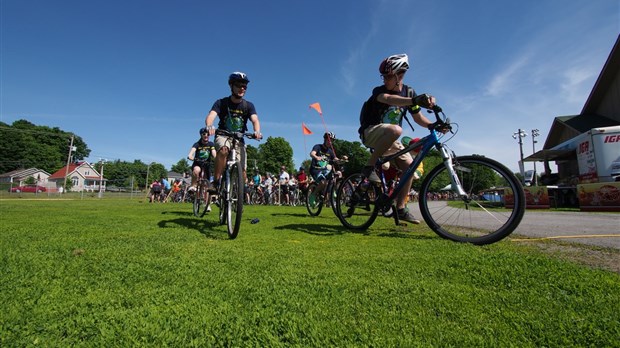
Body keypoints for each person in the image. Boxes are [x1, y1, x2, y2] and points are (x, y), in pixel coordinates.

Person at [358, 53, 437, 224]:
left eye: (388, 76)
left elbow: (418, 118)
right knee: (396, 129)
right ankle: (369, 166)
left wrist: (432, 125)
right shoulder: (379, 91)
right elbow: (388, 99)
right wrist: (414, 99)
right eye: (383, 76)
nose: (385, 79)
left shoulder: (409, 92)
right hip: (371, 132)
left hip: (391, 138)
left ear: (399, 75)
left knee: (410, 167)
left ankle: (400, 208)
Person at [205, 72, 263, 192]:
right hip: (223, 135)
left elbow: (255, 119)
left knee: (242, 170)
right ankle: (216, 182)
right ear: (231, 86)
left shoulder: (248, 105)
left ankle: (238, 193)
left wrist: (257, 131)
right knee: (223, 150)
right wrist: (210, 125)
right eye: (239, 85)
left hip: (239, 139)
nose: (242, 88)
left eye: (245, 86)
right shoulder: (221, 103)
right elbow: (211, 116)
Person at [187, 127, 217, 212]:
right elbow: (192, 151)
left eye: (208, 134)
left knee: (208, 186)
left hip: (207, 165)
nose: (206, 135)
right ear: (201, 135)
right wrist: (190, 156)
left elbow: (214, 153)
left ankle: (207, 204)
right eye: (204, 134)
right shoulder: (197, 144)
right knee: (196, 170)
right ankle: (193, 186)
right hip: (198, 163)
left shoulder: (211, 144)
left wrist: (216, 158)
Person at [309, 132, 340, 197]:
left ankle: (330, 191)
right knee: (323, 182)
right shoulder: (317, 147)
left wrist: (341, 159)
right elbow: (312, 153)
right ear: (325, 139)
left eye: (332, 141)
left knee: (337, 174)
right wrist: (317, 157)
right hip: (315, 169)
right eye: (329, 140)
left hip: (325, 170)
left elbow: (335, 159)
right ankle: (313, 195)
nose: (330, 142)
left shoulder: (330, 151)